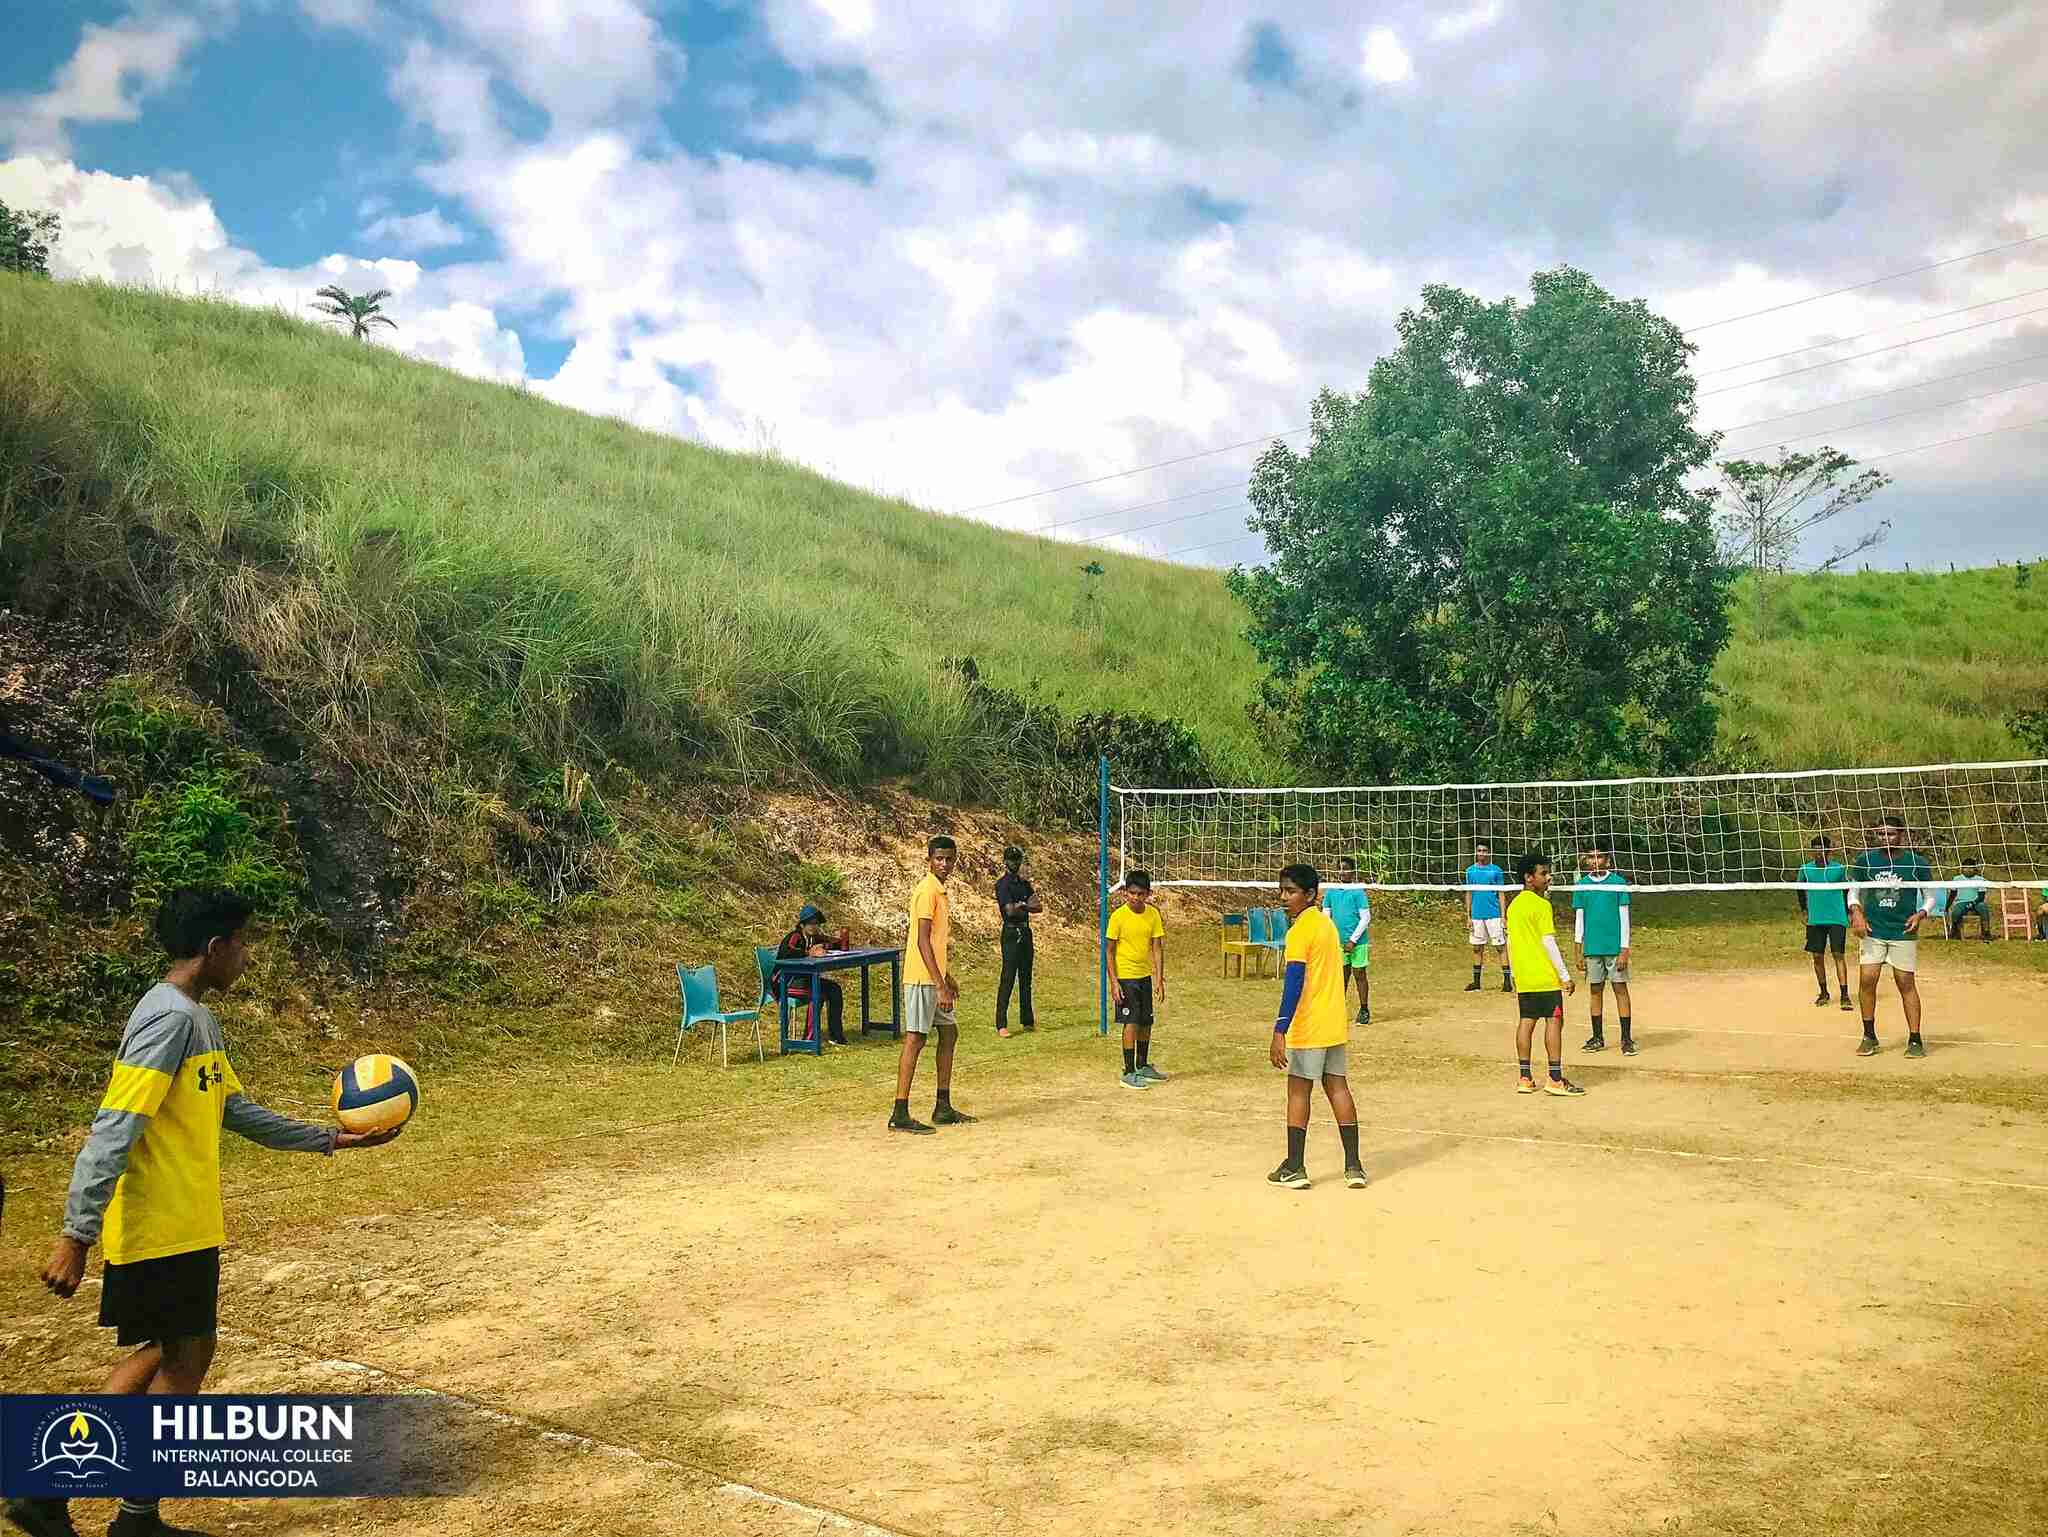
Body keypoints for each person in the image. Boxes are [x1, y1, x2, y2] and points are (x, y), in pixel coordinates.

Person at [8, 888, 397, 1537]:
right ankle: (97, 1505)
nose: (248, 954)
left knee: (175, 1351)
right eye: (242, 942)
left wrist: (330, 1137)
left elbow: (234, 1110)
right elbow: (114, 1127)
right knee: (179, 1354)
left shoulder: (199, 1019)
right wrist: (75, 1235)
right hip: (157, 1227)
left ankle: (66, 1496)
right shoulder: (168, 1020)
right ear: (215, 948)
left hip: (185, 1226)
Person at [1266, 863, 1367, 1190]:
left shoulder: (1300, 931)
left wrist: (1280, 1029)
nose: (1284, 897)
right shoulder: (1328, 926)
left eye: (1291, 891)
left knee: (1298, 1091)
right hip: (1334, 1024)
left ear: (1310, 895)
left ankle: (1296, 1166)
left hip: (1310, 1025)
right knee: (1338, 1087)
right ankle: (1353, 1167)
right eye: (1282, 890)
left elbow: (1294, 982)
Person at [890, 836, 973, 1133]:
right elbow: (921, 940)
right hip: (920, 978)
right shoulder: (926, 891)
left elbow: (936, 943)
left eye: (949, 859)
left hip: (935, 977)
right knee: (916, 1039)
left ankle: (943, 1106)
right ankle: (900, 1111)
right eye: (939, 858)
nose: (945, 864)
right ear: (929, 859)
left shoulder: (941, 891)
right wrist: (939, 985)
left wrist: (946, 977)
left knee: (949, 1033)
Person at [1848, 814, 1937, 1059]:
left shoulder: (1916, 862)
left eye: (1890, 833)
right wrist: (1856, 912)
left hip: (1902, 930)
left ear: (1901, 835)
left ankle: (1915, 1039)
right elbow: (1853, 892)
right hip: (1873, 930)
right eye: (1880, 834)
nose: (1885, 838)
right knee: (1867, 980)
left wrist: (1920, 914)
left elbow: (1930, 896)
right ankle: (1869, 1036)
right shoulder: (1864, 860)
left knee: (1905, 983)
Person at [1506, 852, 1581, 1096]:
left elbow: (1510, 943)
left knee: (1526, 1022)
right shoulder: (1541, 905)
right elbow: (1548, 942)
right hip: (1543, 975)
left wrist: (1515, 974)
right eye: (1543, 873)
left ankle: (1525, 1078)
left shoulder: (1513, 905)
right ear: (1529, 878)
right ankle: (1555, 1078)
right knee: (1554, 1021)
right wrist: (1565, 975)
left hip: (1525, 977)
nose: (1548, 877)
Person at [1105, 871, 1167, 1087]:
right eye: (1132, 893)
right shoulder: (1118, 917)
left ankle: (1142, 1065)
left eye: (1141, 894)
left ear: (1148, 894)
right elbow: (1109, 951)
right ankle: (1128, 1071)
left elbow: (1157, 947)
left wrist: (1159, 979)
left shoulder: (1153, 915)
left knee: (1145, 1022)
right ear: (1125, 893)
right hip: (1126, 978)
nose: (1136, 898)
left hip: (1144, 977)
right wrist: (1114, 982)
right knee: (1130, 1022)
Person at [1572, 841, 1634, 1054]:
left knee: (1620, 989)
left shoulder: (1617, 883)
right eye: (1591, 857)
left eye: (1599, 857)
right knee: (1595, 989)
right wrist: (1578, 949)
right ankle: (1597, 1037)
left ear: (1607, 860)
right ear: (1586, 860)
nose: (1595, 861)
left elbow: (1624, 918)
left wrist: (1624, 949)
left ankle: (1626, 1039)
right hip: (1592, 947)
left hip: (1614, 947)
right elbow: (1579, 919)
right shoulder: (1581, 885)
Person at [775, 903, 845, 1046]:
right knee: (817, 994)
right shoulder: (795, 936)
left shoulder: (814, 938)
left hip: (805, 979)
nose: (814, 926)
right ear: (802, 925)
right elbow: (785, 953)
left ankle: (836, 1036)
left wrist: (827, 946)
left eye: (816, 923)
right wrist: (809, 952)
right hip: (786, 982)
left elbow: (834, 943)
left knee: (834, 989)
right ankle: (809, 1039)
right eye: (810, 924)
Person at [1796, 835, 1852, 1010]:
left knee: (1838, 955)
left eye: (1821, 848)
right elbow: (1799, 890)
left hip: (1837, 918)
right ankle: (1824, 992)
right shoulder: (1805, 869)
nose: (1818, 852)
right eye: (1815, 848)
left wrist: (1850, 912)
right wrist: (1804, 910)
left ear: (1828, 850)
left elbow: (1847, 891)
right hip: (1815, 919)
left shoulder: (1839, 869)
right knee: (1817, 956)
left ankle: (1844, 995)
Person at [993, 845, 1040, 1037]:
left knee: (1026, 978)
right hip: (1011, 933)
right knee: (1008, 977)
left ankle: (1027, 1020)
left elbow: (1038, 906)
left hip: (1025, 930)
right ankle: (1001, 1023)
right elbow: (1009, 910)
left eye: (1017, 859)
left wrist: (1021, 905)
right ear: (1005, 862)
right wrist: (1023, 905)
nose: (1015, 863)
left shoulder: (1023, 883)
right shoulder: (1003, 884)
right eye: (1011, 860)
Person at [1321, 856, 1371, 1026]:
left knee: (1359, 975)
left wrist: (1352, 940)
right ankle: (1336, 1011)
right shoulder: (1331, 892)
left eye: (1346, 868)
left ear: (1353, 871)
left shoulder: (1358, 892)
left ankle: (1364, 1009)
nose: (1342, 872)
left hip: (1357, 942)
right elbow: (1326, 916)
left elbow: (1365, 918)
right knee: (1341, 977)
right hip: (1338, 943)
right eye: (1340, 868)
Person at [1462, 840, 1511, 992]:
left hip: (1494, 915)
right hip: (1477, 915)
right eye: (1479, 850)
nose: (1482, 853)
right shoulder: (1470, 871)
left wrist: (1503, 916)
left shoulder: (1495, 870)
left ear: (1488, 853)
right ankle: (1476, 983)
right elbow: (1468, 893)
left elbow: (1501, 893)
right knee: (1477, 948)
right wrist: (1468, 915)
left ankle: (1507, 982)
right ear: (1476, 852)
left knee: (1500, 947)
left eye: (1484, 850)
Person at [1945, 856, 1992, 942]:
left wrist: (1972, 904)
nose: (1968, 870)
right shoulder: (1956, 879)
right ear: (1962, 868)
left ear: (1975, 869)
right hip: (1961, 902)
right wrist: (1947, 906)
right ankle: (1955, 930)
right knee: (1956, 912)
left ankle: (1986, 932)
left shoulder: (1980, 879)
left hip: (1976, 901)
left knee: (1983, 907)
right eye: (1966, 868)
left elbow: (1981, 896)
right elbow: (1952, 894)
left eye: (1971, 868)